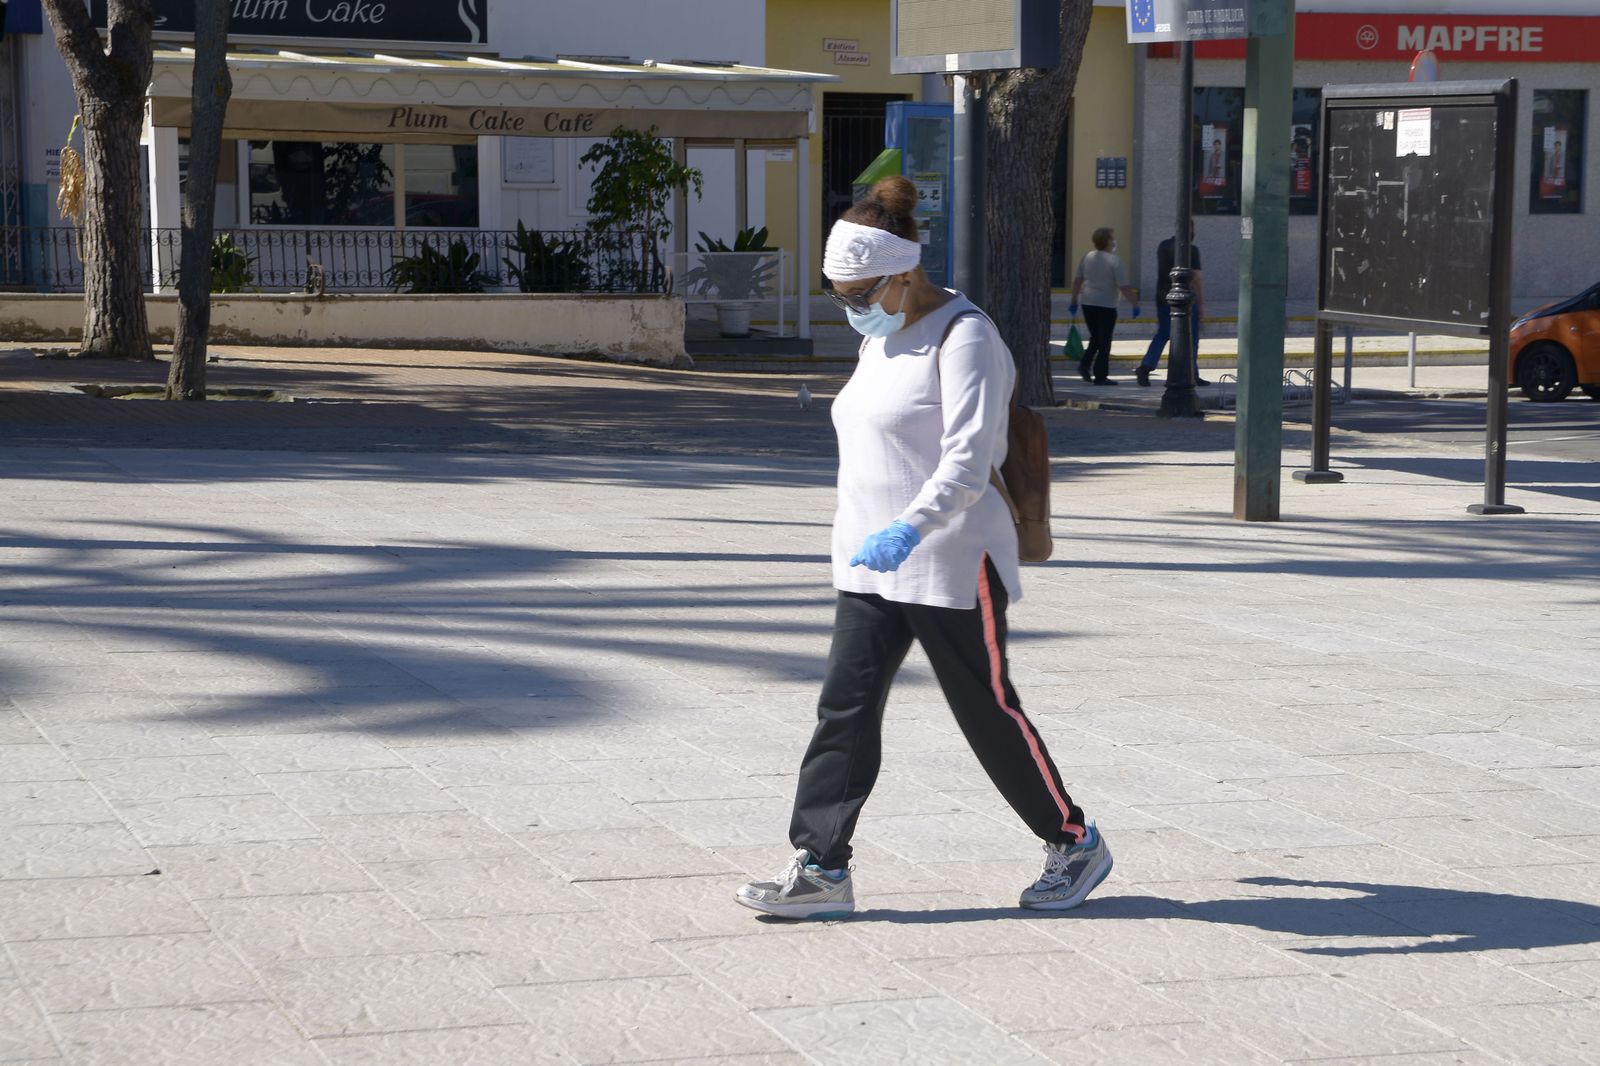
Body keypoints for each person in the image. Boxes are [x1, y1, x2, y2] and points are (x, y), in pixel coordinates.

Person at [735, 176, 1112, 920]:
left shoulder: (966, 335)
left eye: (858, 293)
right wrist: (868, 540)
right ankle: (821, 867)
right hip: (867, 562)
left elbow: (970, 459)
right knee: (843, 710)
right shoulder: (882, 337)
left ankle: (1075, 843)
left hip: (949, 557)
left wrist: (911, 526)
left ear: (904, 273)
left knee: (986, 708)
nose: (851, 308)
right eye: (839, 294)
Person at [1136, 222, 1207, 388]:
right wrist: (1202, 303)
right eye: (1193, 229)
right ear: (1189, 230)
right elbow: (1196, 278)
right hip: (1186, 300)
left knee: (1163, 334)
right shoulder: (1191, 250)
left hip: (1162, 297)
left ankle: (1146, 366)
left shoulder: (1163, 246)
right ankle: (1191, 373)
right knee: (1192, 337)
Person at [1070, 227, 1140, 386]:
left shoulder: (1087, 257)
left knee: (1095, 337)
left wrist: (1074, 300)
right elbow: (1124, 286)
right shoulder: (1115, 261)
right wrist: (1135, 303)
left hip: (1087, 303)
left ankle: (1084, 364)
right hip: (1106, 305)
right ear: (1108, 241)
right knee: (1104, 341)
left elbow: (1077, 280)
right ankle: (1100, 376)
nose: (1114, 241)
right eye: (1112, 238)